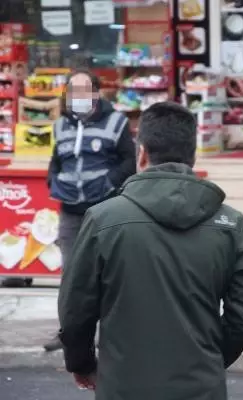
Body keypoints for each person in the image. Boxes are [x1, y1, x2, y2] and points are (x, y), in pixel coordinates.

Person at [57, 102, 243, 400]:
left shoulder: (104, 219)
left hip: (123, 385)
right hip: (201, 385)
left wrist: (80, 362)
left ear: (141, 153)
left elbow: (76, 307)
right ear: (192, 155)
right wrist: (212, 357)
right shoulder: (230, 223)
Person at [43, 69, 136, 352]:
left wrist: (108, 185)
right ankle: (68, 333)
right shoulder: (61, 125)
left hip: (105, 211)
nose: (78, 97)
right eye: (73, 91)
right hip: (70, 212)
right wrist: (54, 183)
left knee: (108, 273)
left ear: (96, 93)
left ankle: (111, 334)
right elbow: (56, 160)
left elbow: (129, 162)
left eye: (84, 91)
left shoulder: (116, 122)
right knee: (71, 276)